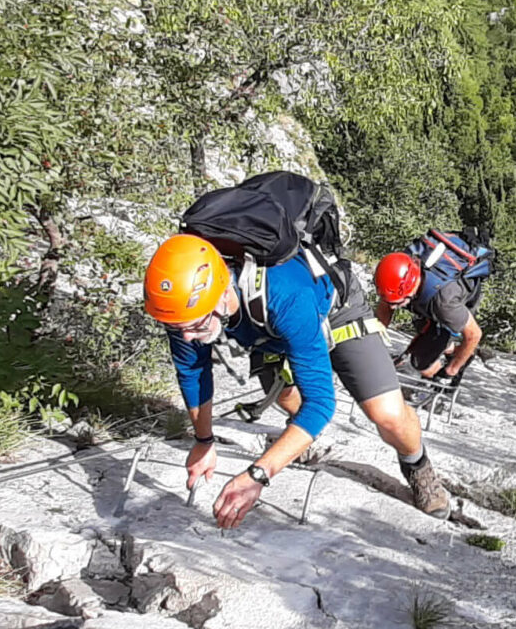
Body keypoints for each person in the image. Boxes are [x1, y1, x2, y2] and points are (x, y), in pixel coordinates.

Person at [145, 220, 453, 530]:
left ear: (222, 294)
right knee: (286, 397)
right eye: (177, 328)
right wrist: (203, 440)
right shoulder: (186, 311)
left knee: (387, 414)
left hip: (334, 311)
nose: (186, 337)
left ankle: (418, 465)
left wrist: (258, 475)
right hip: (269, 331)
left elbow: (320, 403)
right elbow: (192, 370)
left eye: (194, 326)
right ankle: (303, 439)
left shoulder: (284, 295)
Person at [374, 243, 485, 384]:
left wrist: (451, 371)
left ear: (410, 288)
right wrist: (374, 345)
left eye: (396, 303)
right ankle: (452, 351)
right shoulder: (399, 271)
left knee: (421, 362)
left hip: (458, 300)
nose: (393, 307)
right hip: (431, 299)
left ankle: (439, 379)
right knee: (427, 336)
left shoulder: (445, 306)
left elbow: (474, 335)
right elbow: (385, 307)